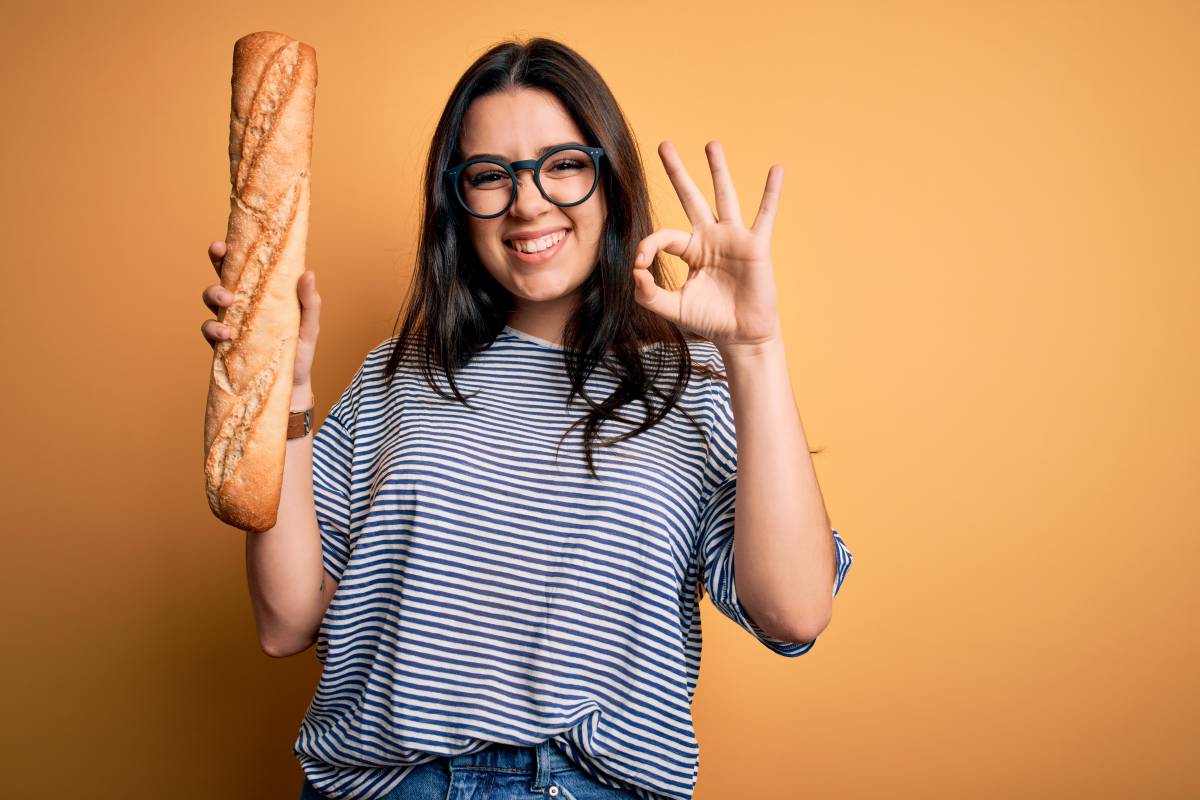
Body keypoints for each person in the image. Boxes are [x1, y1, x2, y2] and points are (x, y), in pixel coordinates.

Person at [200, 37, 853, 800]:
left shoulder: (695, 387)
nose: (529, 202)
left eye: (563, 165)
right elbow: (286, 624)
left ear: (608, 179)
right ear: (459, 202)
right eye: (490, 176)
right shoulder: (396, 376)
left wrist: (755, 346)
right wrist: (285, 396)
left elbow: (796, 612)